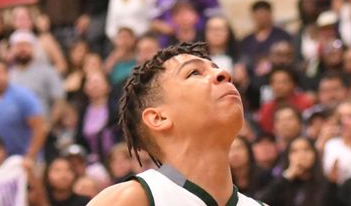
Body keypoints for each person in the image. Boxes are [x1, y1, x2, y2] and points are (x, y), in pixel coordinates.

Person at [85, 41, 261, 205]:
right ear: (158, 118)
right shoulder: (131, 199)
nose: (224, 74)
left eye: (216, 68)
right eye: (194, 72)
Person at [260, 135, 336, 206]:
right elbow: (260, 202)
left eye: (306, 150)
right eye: (295, 151)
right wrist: (287, 176)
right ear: (288, 157)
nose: (301, 155)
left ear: (314, 155)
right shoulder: (282, 182)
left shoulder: (326, 185)